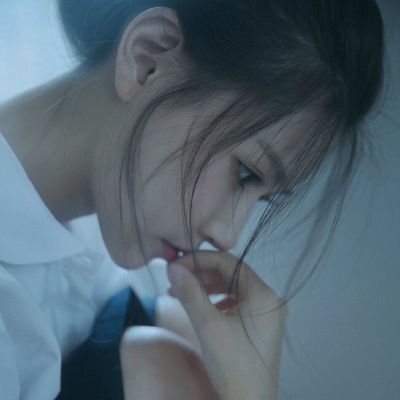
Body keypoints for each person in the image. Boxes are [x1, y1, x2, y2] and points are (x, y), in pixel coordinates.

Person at [0, 0, 384, 399]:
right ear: (147, 59)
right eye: (246, 173)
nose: (228, 237)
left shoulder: (93, 242)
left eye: (263, 198)